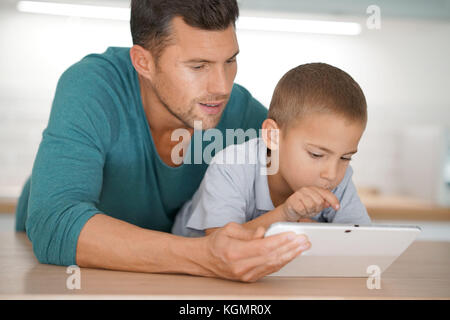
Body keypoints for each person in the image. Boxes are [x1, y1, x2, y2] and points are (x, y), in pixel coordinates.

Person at [14, 0, 311, 282]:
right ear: (143, 62)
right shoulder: (93, 86)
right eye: (198, 66)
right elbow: (54, 223)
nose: (222, 87)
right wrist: (204, 256)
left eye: (230, 61)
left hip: (174, 274)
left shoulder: (244, 116)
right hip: (56, 265)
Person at [172, 63, 371, 237]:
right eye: (316, 154)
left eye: (346, 157)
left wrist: (320, 234)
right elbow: (221, 243)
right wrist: (287, 215)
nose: (332, 174)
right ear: (272, 136)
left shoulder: (338, 178)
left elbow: (362, 240)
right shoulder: (231, 166)